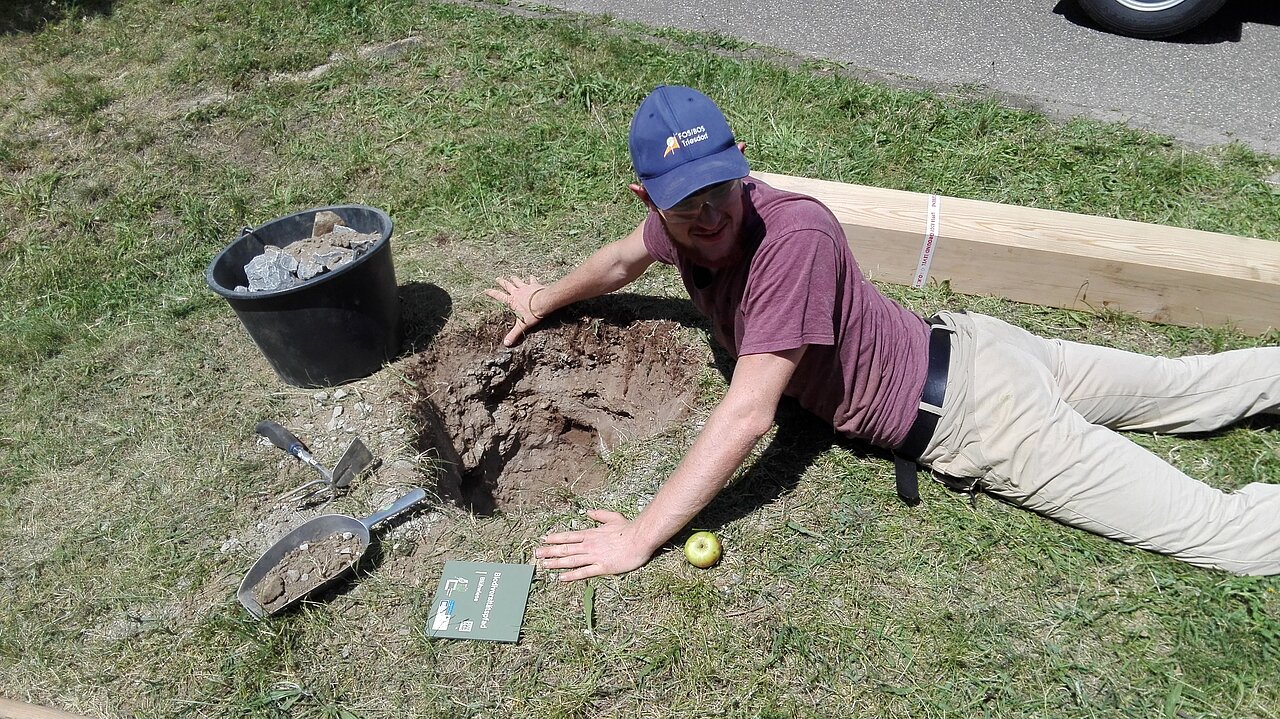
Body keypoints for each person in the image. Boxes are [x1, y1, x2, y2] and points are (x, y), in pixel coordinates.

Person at [485, 85, 1280, 582]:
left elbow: (749, 413)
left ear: (741, 165)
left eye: (720, 188)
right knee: (1189, 387)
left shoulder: (790, 240)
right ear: (650, 199)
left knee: (1223, 531)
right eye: (685, 203)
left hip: (982, 418)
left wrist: (640, 536)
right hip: (981, 348)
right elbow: (621, 260)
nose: (709, 213)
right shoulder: (677, 226)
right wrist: (544, 299)